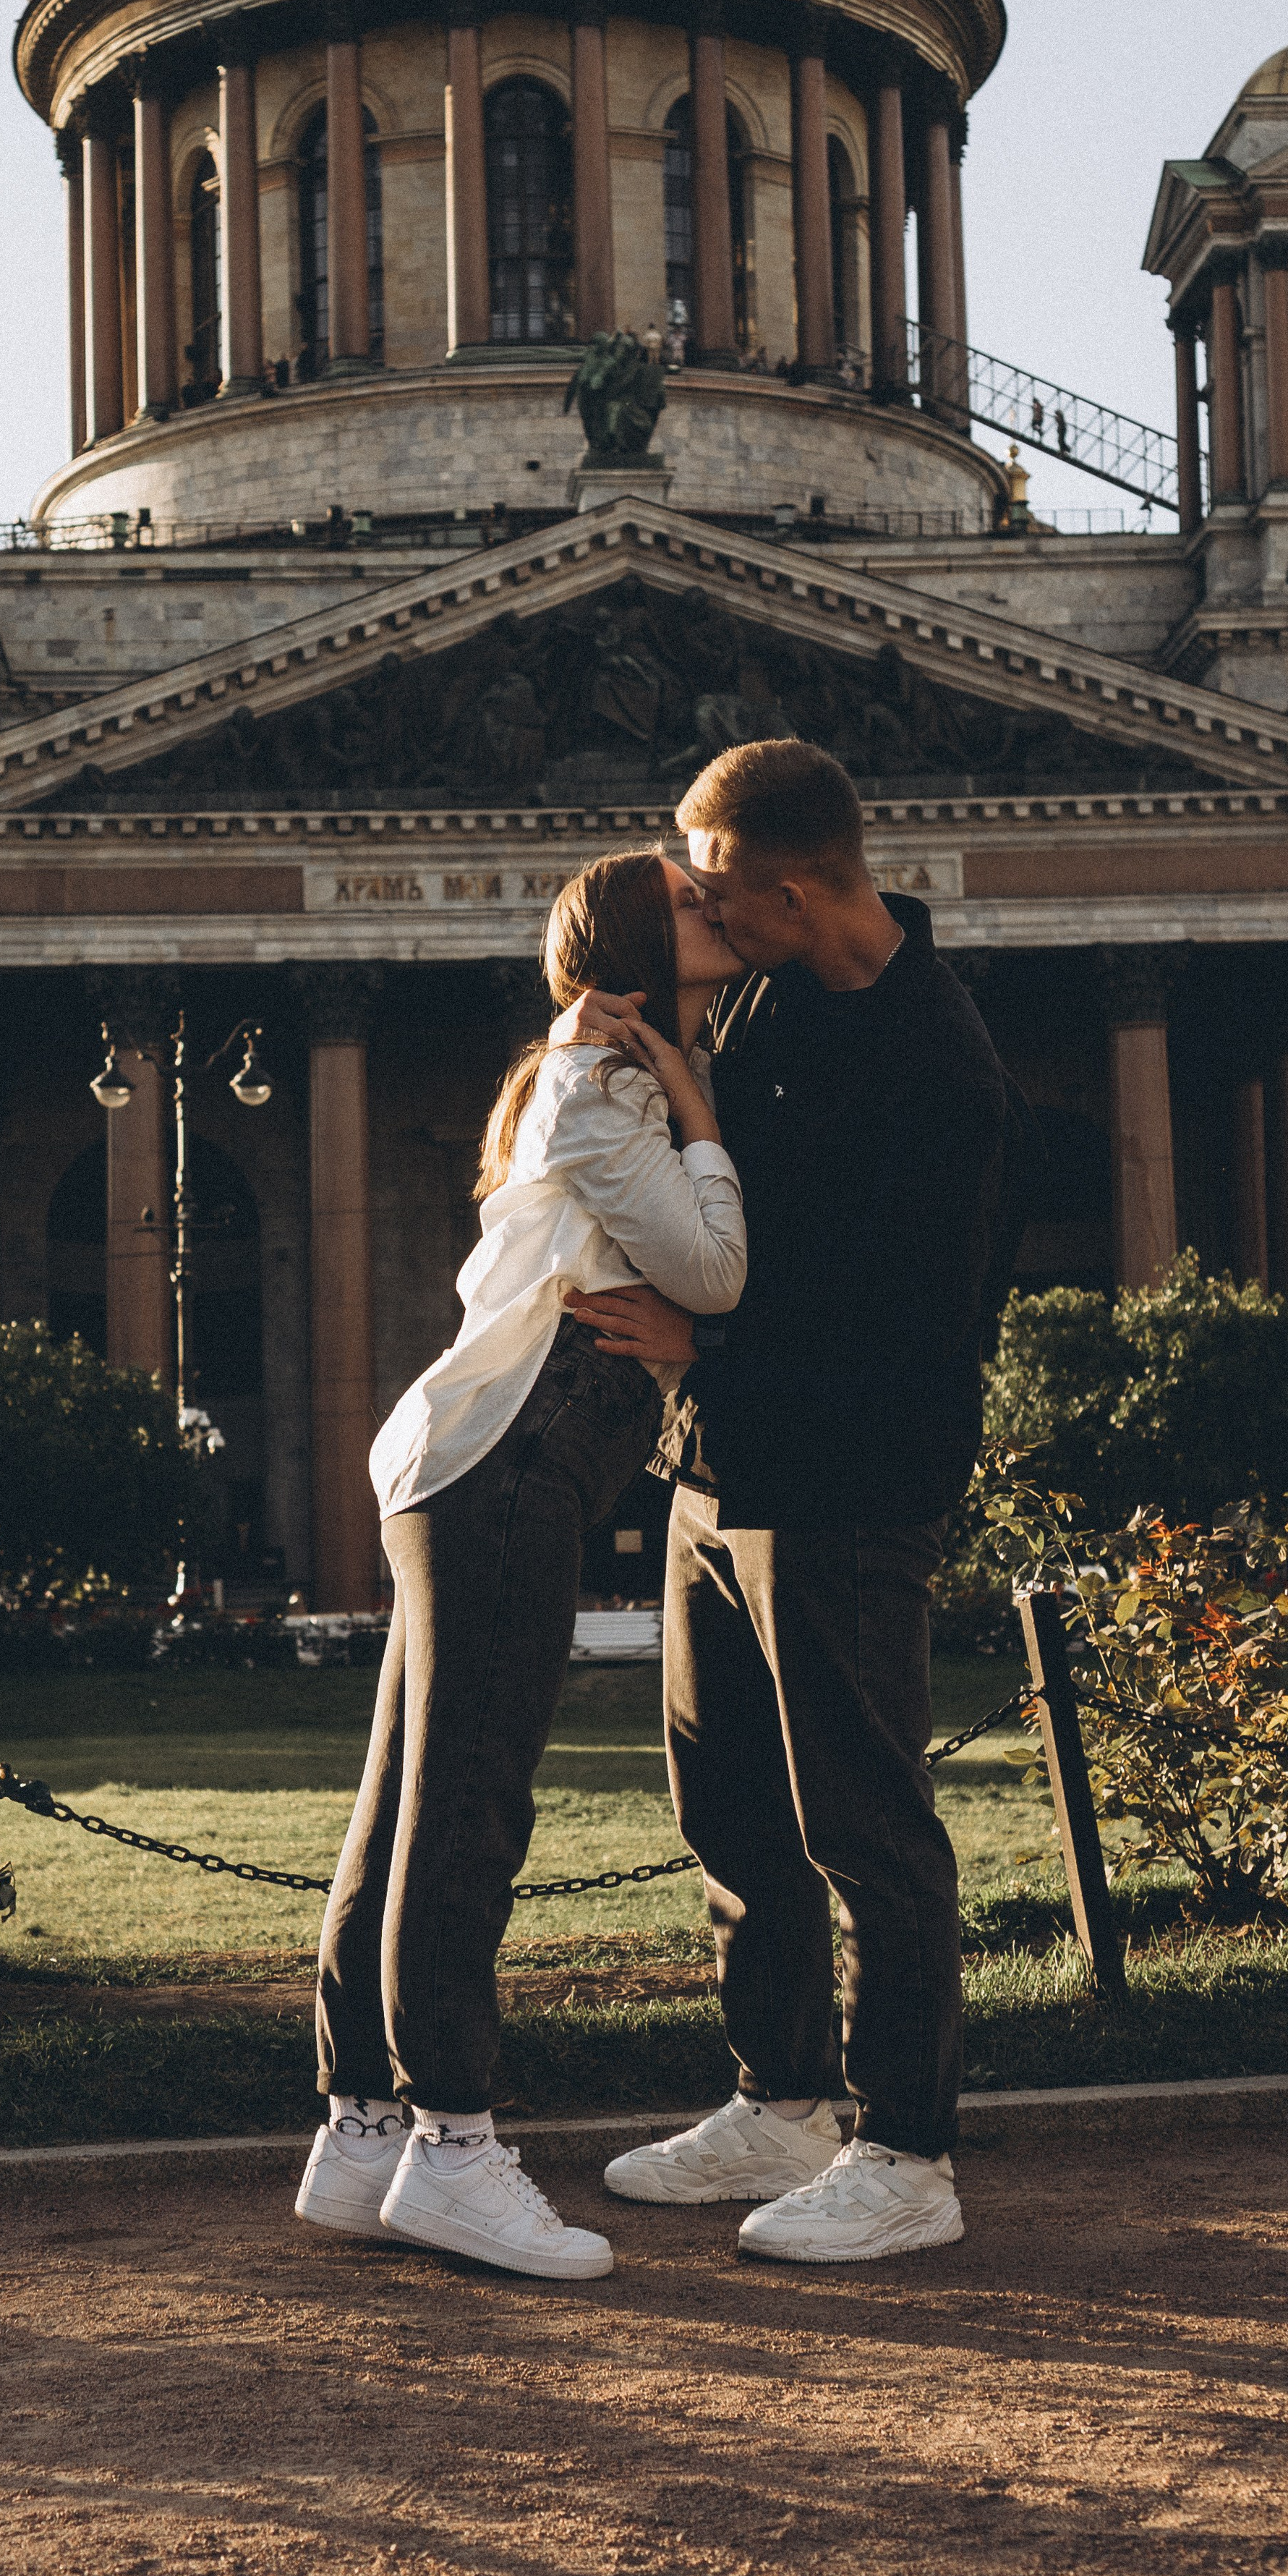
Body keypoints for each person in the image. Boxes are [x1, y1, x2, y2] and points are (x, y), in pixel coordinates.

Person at [560, 738, 1015, 2265]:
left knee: (864, 1826)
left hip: (849, 1484)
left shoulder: (940, 1066)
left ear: (798, 892)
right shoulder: (763, 995)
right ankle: (782, 2103)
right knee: (733, 1813)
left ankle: (907, 2153)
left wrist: (703, 1345)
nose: (698, 910)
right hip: (718, 1468)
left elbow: (918, 1323)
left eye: (713, 889)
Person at [297, 849, 748, 2279]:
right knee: (468, 1807)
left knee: (405, 1804)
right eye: (688, 898)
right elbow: (712, 1273)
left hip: (472, 1456)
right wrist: (700, 1117)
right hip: (511, 1457)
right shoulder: (606, 1085)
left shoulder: (578, 1073)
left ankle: (361, 2131)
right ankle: (452, 2146)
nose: (715, 903)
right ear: (636, 944)